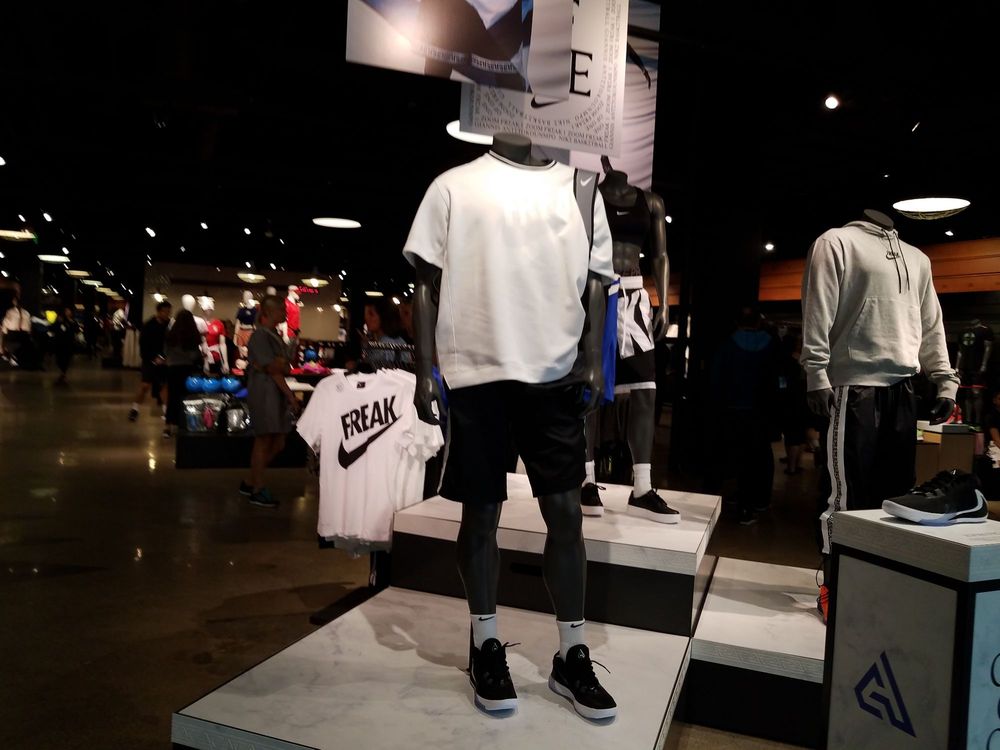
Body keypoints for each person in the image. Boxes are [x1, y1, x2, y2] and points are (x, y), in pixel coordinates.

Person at [711, 306, 780, 525]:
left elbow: (717, 380)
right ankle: (758, 501)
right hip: (761, 412)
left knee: (737, 456)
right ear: (758, 322)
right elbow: (777, 379)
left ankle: (741, 502)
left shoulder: (728, 345)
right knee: (760, 456)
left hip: (733, 410)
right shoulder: (771, 345)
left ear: (737, 322)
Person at [240, 296, 300, 508]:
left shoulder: (273, 335)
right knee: (264, 439)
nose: (285, 312)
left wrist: (280, 365)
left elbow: (284, 366)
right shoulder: (260, 336)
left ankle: (251, 481)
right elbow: (275, 368)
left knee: (278, 441)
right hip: (265, 392)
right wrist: (289, 394)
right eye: (281, 309)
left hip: (273, 393)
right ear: (267, 313)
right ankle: (257, 488)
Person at [129, 301, 172, 421]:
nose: (167, 314)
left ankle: (166, 412)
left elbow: (170, 343)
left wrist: (164, 357)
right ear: (159, 312)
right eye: (165, 312)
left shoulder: (169, 326)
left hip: (163, 361)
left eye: (169, 312)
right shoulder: (148, 325)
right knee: (145, 386)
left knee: (164, 386)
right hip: (149, 360)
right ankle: (134, 409)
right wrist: (153, 358)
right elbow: (143, 345)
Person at [163, 309, 203, 439]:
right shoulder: (193, 335)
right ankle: (184, 424)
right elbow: (194, 356)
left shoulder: (171, 334)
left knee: (172, 397)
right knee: (186, 397)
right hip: (187, 369)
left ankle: (168, 426)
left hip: (172, 368)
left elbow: (165, 351)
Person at [778, 333, 808, 474]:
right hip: (804, 400)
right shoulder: (807, 362)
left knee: (791, 435)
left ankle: (791, 467)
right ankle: (797, 464)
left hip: (790, 401)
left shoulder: (786, 361)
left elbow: (782, 382)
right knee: (801, 435)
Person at [52, 307, 78, 385]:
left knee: (66, 359)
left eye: (69, 311)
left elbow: (76, 330)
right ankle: (62, 373)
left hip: (68, 344)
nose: (67, 312)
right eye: (66, 311)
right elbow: (53, 328)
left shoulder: (72, 321)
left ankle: (63, 374)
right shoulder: (59, 320)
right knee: (59, 359)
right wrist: (58, 322)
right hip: (59, 343)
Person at [2, 297, 32, 364]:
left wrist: (5, 332)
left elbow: (6, 322)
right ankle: (14, 357)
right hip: (22, 334)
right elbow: (29, 325)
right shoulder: (26, 313)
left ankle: (10, 355)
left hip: (15, 334)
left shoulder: (11, 311)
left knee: (6, 338)